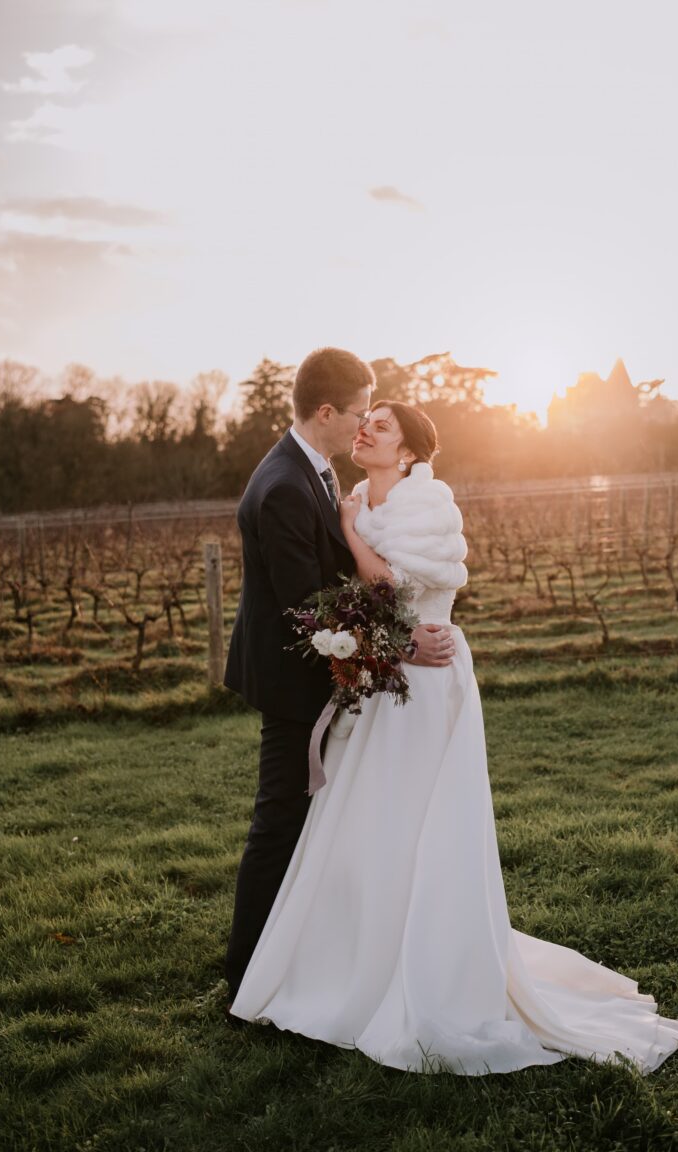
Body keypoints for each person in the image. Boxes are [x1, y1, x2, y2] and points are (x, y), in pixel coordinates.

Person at [228, 400, 678, 1075]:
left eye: (380, 426)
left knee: (418, 819)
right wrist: (352, 542)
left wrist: (351, 532)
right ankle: (356, 952)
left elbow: (389, 586)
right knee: (366, 822)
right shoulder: (357, 493)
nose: (365, 431)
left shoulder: (427, 504)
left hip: (425, 679)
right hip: (385, 675)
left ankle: (420, 960)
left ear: (411, 452)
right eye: (364, 422)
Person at [223, 350, 456, 1008]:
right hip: (292, 679)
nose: (362, 424)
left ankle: (310, 951)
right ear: (326, 412)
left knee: (323, 818)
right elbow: (308, 607)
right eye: (359, 412)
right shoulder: (284, 488)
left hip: (327, 670)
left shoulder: (312, 471)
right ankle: (247, 977)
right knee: (280, 822)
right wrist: (402, 642)